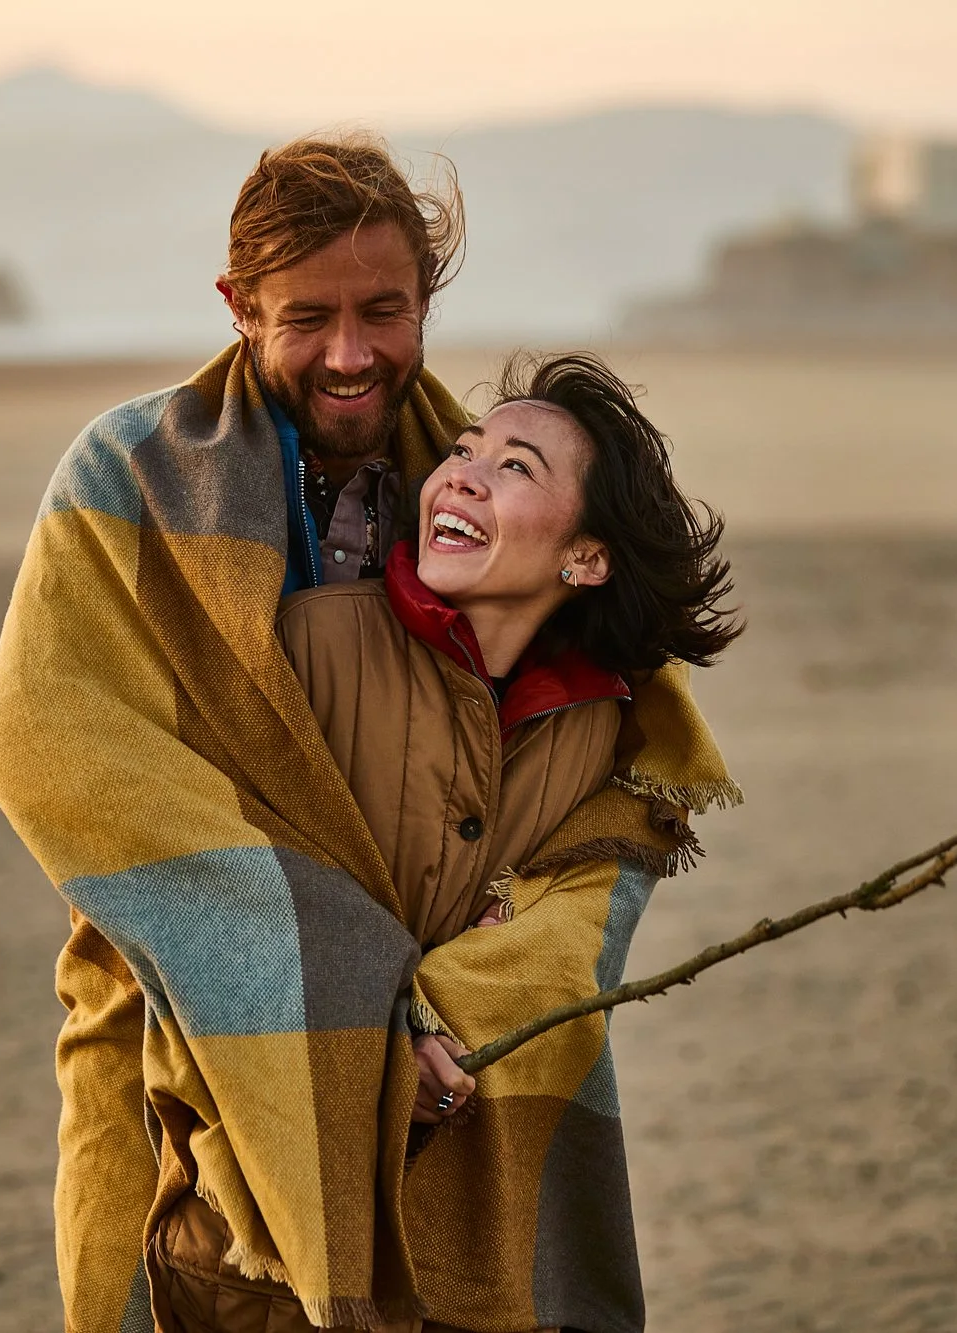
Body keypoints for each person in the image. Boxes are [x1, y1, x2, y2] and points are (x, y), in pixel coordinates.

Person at [0, 135, 739, 1333]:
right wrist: (347, 986)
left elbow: (612, 791)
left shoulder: (477, 482)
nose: (349, 354)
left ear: (424, 301)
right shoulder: (125, 479)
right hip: (176, 1054)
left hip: (460, 1078)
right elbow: (50, 748)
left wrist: (452, 1010)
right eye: (306, 318)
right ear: (237, 307)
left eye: (383, 311)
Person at [152, 352, 740, 1332]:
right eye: (462, 451)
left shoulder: (599, 732)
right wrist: (386, 1031)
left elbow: (563, 927)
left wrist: (464, 986)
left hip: (466, 1253)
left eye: (515, 467)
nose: (458, 473)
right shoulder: (305, 650)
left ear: (585, 558)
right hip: (264, 1229)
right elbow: (226, 877)